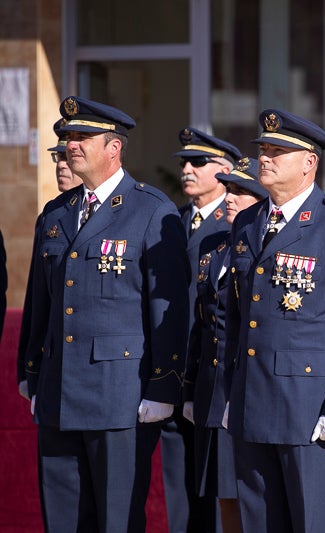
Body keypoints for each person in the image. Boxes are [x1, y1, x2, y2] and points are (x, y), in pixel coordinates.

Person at [21, 96, 189, 531]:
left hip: (120, 397)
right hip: (59, 394)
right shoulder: (56, 213)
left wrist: (163, 388)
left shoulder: (151, 211)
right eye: (67, 137)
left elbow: (167, 308)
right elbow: (41, 302)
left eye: (81, 137)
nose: (70, 145)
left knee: (116, 520)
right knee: (62, 519)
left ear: (113, 147)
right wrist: (33, 374)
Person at [223, 108, 325, 531]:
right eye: (264, 149)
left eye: (278, 151)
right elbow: (238, 319)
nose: (265, 158)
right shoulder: (247, 223)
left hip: (308, 412)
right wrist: (230, 392)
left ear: (309, 163)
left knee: (314, 522)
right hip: (252, 405)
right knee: (259, 521)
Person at [163, 126, 241, 533]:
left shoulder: (233, 228)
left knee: (214, 490)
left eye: (198, 162)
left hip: (209, 372)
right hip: (171, 371)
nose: (187, 169)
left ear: (225, 171)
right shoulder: (173, 221)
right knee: (178, 485)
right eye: (183, 163)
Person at [183, 157, 265, 533]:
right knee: (222, 495)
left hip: (248, 389)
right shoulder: (213, 246)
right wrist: (189, 388)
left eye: (241, 191)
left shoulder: (266, 247)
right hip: (213, 392)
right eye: (228, 189)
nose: (230, 198)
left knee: (254, 499)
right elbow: (201, 324)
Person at [18, 119, 84, 399]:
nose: (61, 165)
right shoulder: (49, 216)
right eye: (58, 157)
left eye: (68, 158)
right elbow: (36, 300)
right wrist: (27, 367)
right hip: (53, 364)